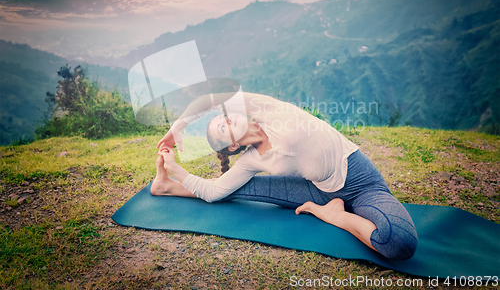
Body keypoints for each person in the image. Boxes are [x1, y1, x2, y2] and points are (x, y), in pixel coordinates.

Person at [153, 92, 418, 260]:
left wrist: (178, 127)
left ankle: (333, 215)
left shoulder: (267, 109)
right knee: (239, 188)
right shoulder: (251, 160)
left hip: (362, 183)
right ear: (232, 146)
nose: (228, 119)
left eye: (224, 117)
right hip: (317, 189)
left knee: (400, 244)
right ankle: (166, 186)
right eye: (222, 127)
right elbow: (214, 192)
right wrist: (175, 170)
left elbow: (207, 98)